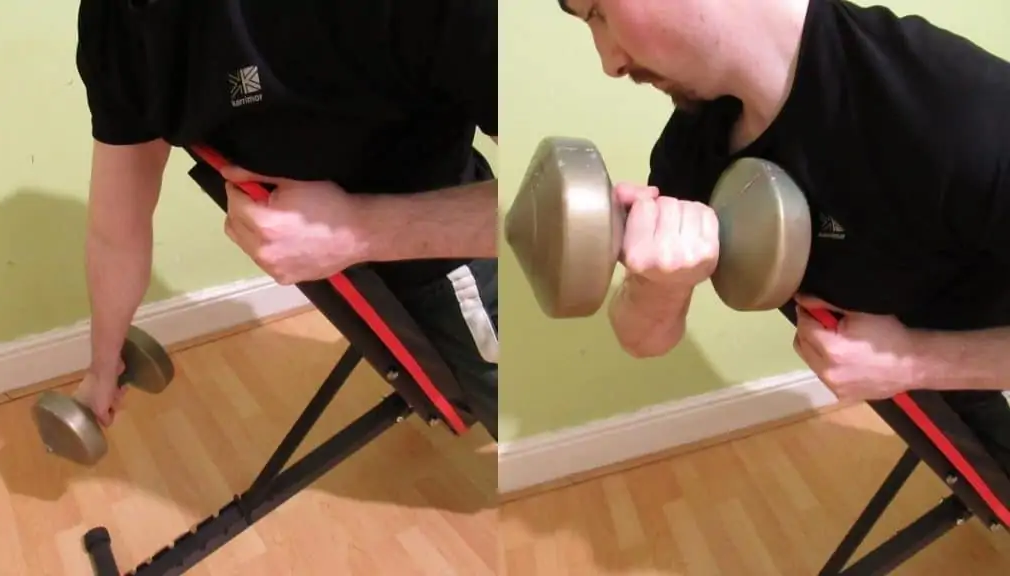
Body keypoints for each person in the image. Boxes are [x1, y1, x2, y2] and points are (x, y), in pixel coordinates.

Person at [557, 0, 1010, 468]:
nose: (609, 62)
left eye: (598, 12)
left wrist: (915, 362)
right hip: (951, 398)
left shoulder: (961, 112)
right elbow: (641, 339)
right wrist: (660, 285)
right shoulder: (696, 143)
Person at [72, 0, 498, 440]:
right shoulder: (121, 20)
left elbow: (543, 206)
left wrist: (360, 231)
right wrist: (103, 368)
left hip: (457, 261)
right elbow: (116, 233)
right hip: (365, 288)